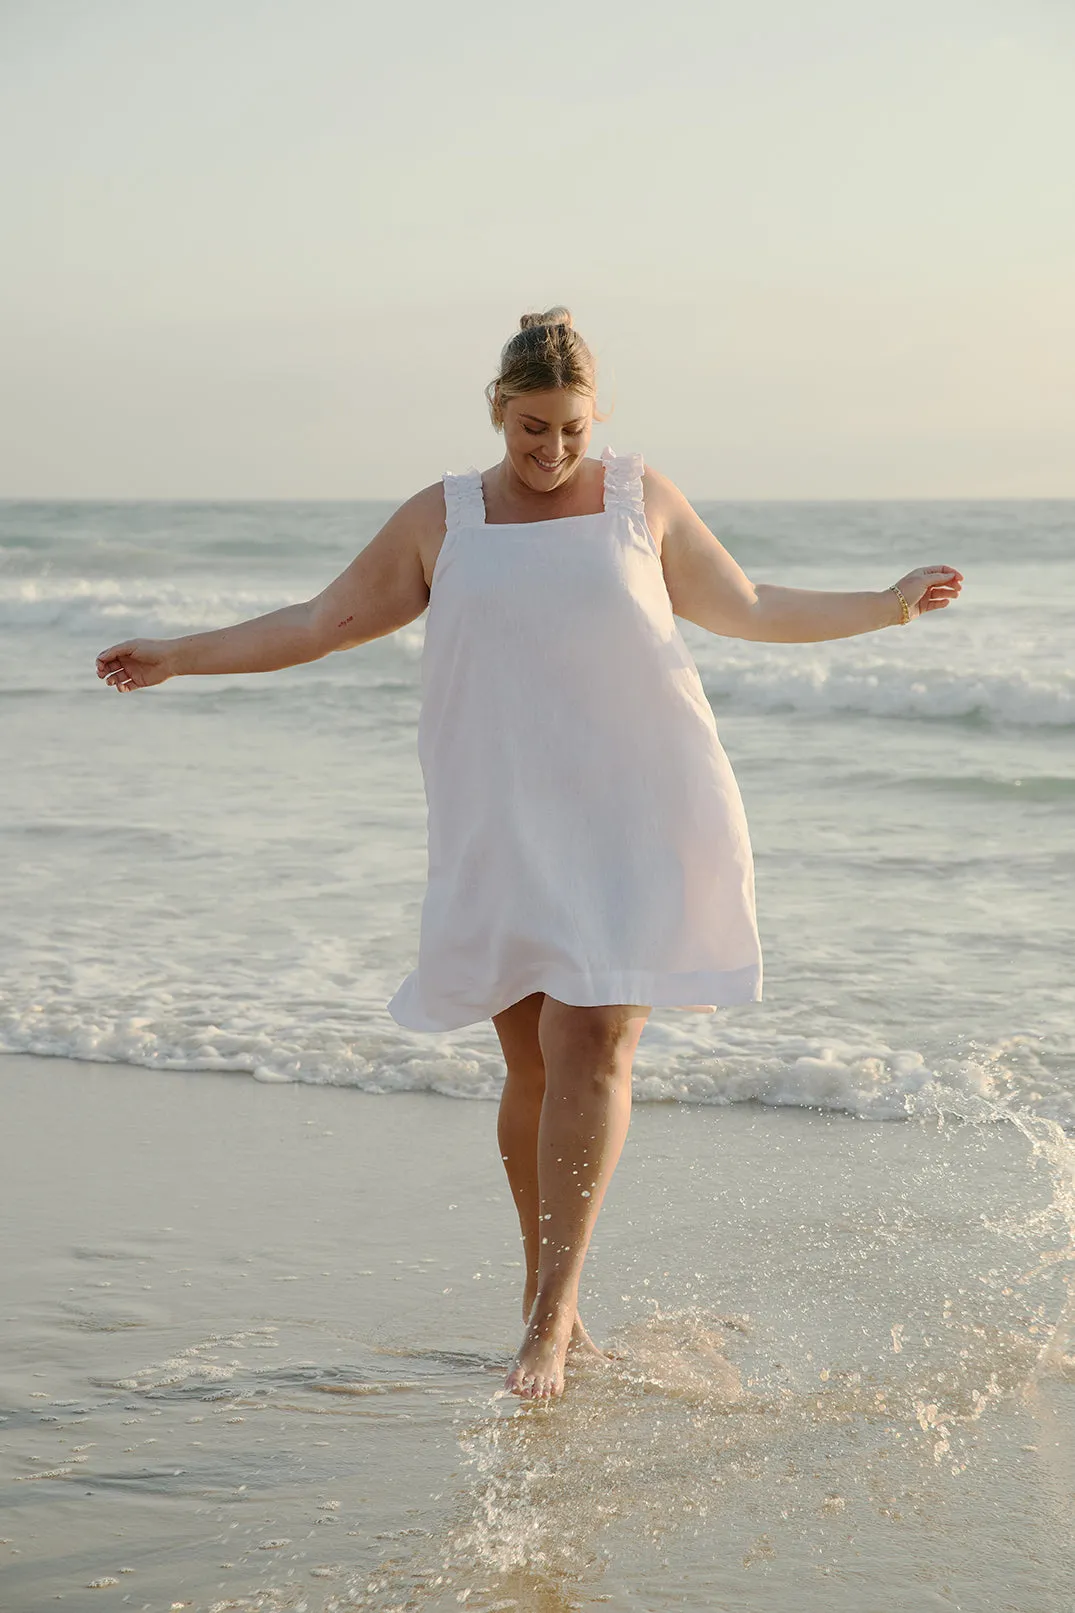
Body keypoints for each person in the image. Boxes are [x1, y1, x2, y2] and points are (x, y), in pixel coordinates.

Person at [96, 307, 963, 1402]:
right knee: (532, 1066)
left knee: (589, 1037)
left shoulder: (638, 499)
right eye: (530, 430)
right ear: (496, 413)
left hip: (637, 810)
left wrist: (884, 606)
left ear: (597, 415)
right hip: (502, 817)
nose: (552, 452)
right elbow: (320, 621)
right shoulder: (442, 519)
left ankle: (548, 1328)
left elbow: (746, 606)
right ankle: (549, 1306)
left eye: (570, 429)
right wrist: (179, 654)